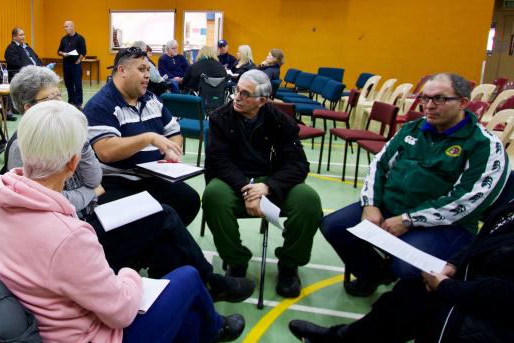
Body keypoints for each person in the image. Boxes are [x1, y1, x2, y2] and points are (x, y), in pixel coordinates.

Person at [0, 100, 246, 343]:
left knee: (190, 320)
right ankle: (214, 327)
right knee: (187, 277)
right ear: (74, 162)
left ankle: (209, 328)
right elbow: (120, 312)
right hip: (87, 334)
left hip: (47, 320)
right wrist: (129, 276)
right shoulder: (68, 236)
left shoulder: (4, 204)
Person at [5, 65, 255, 303]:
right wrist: (88, 194)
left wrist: (80, 138)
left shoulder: (64, 132)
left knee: (164, 245)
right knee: (163, 215)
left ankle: (194, 303)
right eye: (50, 100)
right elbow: (49, 203)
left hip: (89, 216)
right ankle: (210, 283)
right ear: (28, 108)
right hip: (73, 234)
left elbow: (94, 179)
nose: (60, 104)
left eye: (59, 95)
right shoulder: (23, 146)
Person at [320, 72, 510, 297]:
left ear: (463, 103)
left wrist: (409, 220)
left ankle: (406, 307)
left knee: (407, 267)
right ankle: (374, 273)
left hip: (445, 226)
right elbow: (378, 166)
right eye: (424, 98)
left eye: (439, 99)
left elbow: (467, 201)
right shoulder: (412, 129)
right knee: (334, 226)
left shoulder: (484, 145)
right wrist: (370, 204)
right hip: (390, 209)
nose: (428, 106)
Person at [288, 198, 514, 343]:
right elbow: (483, 239)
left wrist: (447, 287)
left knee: (410, 276)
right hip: (465, 280)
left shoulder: (483, 146)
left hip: (488, 312)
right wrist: (453, 264)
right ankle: (342, 336)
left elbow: (505, 293)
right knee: (404, 294)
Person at [202, 69, 323, 298]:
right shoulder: (220, 118)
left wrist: (267, 187)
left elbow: (298, 165)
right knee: (213, 196)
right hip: (235, 182)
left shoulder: (281, 122)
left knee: (308, 201)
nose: (237, 97)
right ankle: (236, 260)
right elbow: (219, 162)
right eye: (236, 90)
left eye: (245, 94)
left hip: (272, 182)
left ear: (262, 100)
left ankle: (289, 265)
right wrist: (248, 188)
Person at [84, 47, 201, 227]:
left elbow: (174, 133)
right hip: (116, 182)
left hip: (153, 177)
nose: (147, 75)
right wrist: (148, 138)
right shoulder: (101, 105)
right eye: (141, 69)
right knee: (149, 218)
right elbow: (106, 151)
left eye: (148, 69)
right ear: (122, 70)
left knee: (189, 200)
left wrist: (171, 150)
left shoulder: (152, 99)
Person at [57, 20, 86, 109]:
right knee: (68, 84)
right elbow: (59, 51)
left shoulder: (80, 38)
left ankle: (78, 103)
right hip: (66, 64)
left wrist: (78, 61)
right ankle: (71, 101)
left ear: (72, 27)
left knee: (77, 84)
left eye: (66, 26)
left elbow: (83, 52)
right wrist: (63, 54)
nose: (65, 28)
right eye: (64, 27)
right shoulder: (63, 39)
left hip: (76, 64)